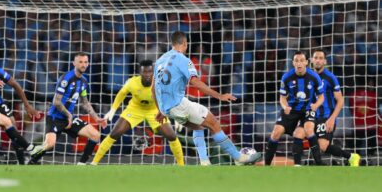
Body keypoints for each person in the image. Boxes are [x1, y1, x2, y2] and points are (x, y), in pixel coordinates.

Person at [152, 31, 262, 165]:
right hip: (179, 104)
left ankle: (204, 162)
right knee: (214, 123)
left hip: (168, 109)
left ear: (172, 43)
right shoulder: (184, 60)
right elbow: (195, 83)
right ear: (185, 43)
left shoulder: (160, 60)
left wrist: (161, 110)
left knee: (198, 126)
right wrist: (219, 96)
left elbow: (153, 88)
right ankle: (239, 158)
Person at [92, 60, 184, 166]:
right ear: (140, 73)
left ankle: (181, 165)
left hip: (154, 111)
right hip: (134, 109)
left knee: (171, 135)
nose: (147, 74)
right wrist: (112, 109)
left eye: (150, 72)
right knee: (114, 133)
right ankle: (94, 163)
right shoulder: (132, 82)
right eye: (144, 72)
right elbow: (121, 94)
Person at [29, 52, 107, 165]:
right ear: (74, 63)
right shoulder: (66, 79)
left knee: (95, 135)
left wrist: (96, 118)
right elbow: (56, 102)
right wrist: (68, 115)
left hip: (69, 118)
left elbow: (85, 102)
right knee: (49, 144)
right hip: (55, 117)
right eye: (80, 62)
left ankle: (81, 165)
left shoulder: (84, 81)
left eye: (85, 62)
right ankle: (31, 160)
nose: (83, 65)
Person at [265, 51, 325, 166]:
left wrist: (316, 105)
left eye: (302, 61)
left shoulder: (314, 77)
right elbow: (282, 98)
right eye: (296, 61)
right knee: (276, 133)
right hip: (291, 110)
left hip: (308, 110)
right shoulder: (287, 77)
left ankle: (318, 164)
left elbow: (321, 98)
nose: (299, 63)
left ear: (306, 62)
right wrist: (284, 106)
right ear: (293, 63)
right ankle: (266, 166)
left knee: (307, 130)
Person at [311, 49, 360, 166]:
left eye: (320, 58)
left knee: (322, 146)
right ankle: (317, 165)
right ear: (312, 60)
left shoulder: (330, 77)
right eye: (315, 58)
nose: (318, 60)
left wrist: (332, 118)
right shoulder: (308, 76)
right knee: (308, 140)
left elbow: (340, 100)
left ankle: (351, 157)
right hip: (312, 116)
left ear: (325, 61)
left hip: (326, 116)